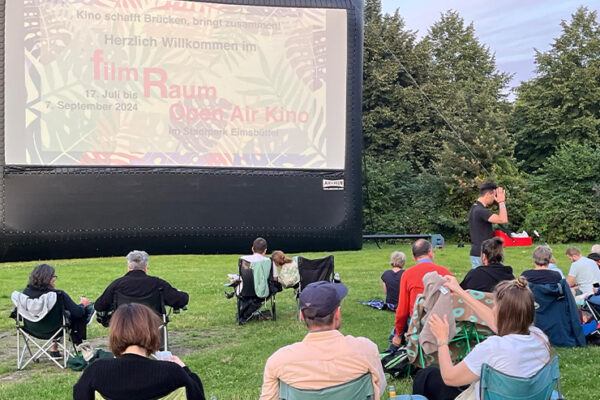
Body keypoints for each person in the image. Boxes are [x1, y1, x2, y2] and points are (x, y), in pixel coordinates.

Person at [414, 277, 551, 400]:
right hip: (520, 394)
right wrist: (460, 292)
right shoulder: (540, 338)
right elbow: (496, 323)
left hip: (488, 394)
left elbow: (449, 378)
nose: (492, 309)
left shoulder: (494, 347)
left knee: (426, 376)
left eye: (495, 305)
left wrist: (442, 340)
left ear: (502, 312)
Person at [259, 281, 386, 400]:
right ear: (337, 313)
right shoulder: (366, 350)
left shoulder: (278, 361)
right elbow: (378, 390)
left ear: (302, 315)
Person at [73, 303, 205, 400]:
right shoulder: (172, 373)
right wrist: (186, 371)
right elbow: (197, 396)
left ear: (115, 333)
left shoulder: (96, 371)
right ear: (152, 332)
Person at [392, 240, 452, 347]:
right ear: (430, 252)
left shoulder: (407, 274)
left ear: (413, 257)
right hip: (441, 321)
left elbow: (402, 310)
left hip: (417, 323)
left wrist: (398, 333)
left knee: (393, 336)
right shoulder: (445, 273)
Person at [21, 264, 92, 350]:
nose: (55, 278)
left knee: (60, 315)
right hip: (55, 329)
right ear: (48, 279)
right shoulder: (58, 295)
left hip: (32, 329)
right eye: (53, 276)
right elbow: (78, 313)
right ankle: (78, 346)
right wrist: (83, 304)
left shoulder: (25, 295)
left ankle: (54, 348)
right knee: (68, 315)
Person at [94, 250, 189, 313]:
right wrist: (180, 293)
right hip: (152, 328)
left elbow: (99, 306)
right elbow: (181, 300)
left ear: (128, 267)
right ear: (145, 267)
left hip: (124, 327)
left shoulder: (117, 284)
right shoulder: (158, 283)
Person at [467, 182, 508, 269]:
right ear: (488, 194)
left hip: (476, 252)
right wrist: (501, 202)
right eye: (494, 195)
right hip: (484, 254)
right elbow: (503, 219)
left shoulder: (474, 208)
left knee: (478, 277)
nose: (495, 198)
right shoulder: (481, 210)